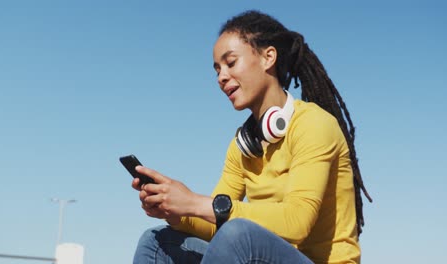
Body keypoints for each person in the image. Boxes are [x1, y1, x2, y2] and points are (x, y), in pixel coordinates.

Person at [131, 10, 372, 264]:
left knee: (238, 236)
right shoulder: (243, 146)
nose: (221, 77)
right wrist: (175, 210)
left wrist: (194, 202)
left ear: (268, 57)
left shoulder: (314, 124)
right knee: (156, 240)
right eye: (217, 70)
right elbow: (216, 225)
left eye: (231, 63)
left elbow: (297, 222)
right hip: (258, 254)